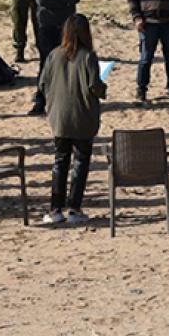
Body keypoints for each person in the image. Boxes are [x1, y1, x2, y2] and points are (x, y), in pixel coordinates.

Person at [38, 14, 106, 225]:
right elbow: (95, 86)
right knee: (81, 161)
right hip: (83, 115)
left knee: (60, 161)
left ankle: (55, 208)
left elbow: (42, 84)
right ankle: (74, 208)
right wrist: (103, 89)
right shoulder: (88, 56)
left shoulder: (54, 55)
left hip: (59, 117)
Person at [31, 0, 83, 115]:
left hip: (67, 28)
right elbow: (41, 0)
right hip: (46, 27)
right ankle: (40, 101)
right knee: (46, 64)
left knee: (69, 63)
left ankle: (67, 100)